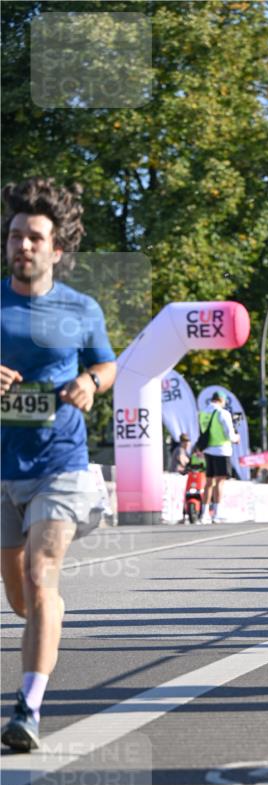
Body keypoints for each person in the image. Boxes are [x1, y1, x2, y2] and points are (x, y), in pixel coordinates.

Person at [1, 177, 116, 752]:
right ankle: (44, 622)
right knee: (21, 597)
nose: (22, 245)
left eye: (34, 237)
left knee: (40, 575)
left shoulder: (80, 308)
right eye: (15, 235)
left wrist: (90, 382)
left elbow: (107, 365)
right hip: (3, 469)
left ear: (55, 249)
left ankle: (28, 708)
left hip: (60, 463)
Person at [197, 391, 239, 524]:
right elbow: (229, 434)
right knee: (220, 482)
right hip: (222, 450)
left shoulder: (203, 413)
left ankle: (204, 514)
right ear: (221, 399)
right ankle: (217, 513)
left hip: (208, 450)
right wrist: (236, 438)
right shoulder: (223, 413)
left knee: (209, 482)